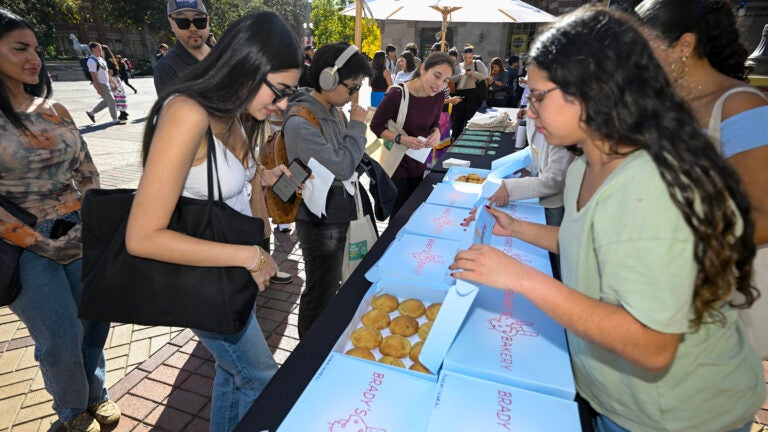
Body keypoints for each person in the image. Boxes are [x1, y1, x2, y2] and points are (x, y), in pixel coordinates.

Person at [451, 7, 764, 432]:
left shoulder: (648, 186)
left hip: (675, 416)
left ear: (590, 92)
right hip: (616, 401)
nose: (530, 107)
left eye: (539, 95)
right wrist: (519, 228)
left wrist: (521, 277)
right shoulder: (587, 163)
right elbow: (589, 243)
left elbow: (653, 344)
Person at [124, 12, 302, 431]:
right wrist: (248, 256)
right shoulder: (187, 111)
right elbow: (142, 236)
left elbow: (235, 177)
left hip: (227, 270)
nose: (280, 105)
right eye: (279, 92)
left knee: (234, 374)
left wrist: (260, 177)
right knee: (261, 379)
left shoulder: (232, 111)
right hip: (203, 274)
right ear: (246, 66)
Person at [0, 9, 120, 432]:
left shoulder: (55, 109)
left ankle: (97, 394)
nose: (34, 57)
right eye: (20, 48)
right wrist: (41, 243)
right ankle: (71, 413)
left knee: (93, 326)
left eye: (35, 48)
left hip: (79, 229)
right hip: (23, 246)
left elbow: (87, 170)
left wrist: (89, 219)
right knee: (58, 341)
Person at [635, 0, 768, 359]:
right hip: (663, 286)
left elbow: (763, 216)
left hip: (719, 286)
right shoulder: (663, 105)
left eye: (645, 47)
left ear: (685, 45)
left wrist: (673, 243)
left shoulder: (742, 105)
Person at [282, 42, 372, 338]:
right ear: (328, 78)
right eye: (351, 87)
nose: (352, 95)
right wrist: (358, 127)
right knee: (321, 290)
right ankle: (308, 354)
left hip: (335, 209)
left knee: (332, 283)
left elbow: (347, 158)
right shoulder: (300, 121)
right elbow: (343, 165)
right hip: (319, 219)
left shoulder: (332, 110)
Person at [488, 108, 575, 280]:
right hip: (541, 195)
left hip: (555, 202)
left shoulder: (564, 132)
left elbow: (554, 181)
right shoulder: (535, 115)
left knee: (557, 260)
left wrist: (510, 187)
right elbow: (535, 150)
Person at [370, 53, 454, 215]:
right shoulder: (397, 94)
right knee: (398, 216)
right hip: (395, 164)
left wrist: (436, 132)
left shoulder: (438, 96)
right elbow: (376, 126)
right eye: (436, 76)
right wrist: (401, 139)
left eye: (445, 80)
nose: (439, 84)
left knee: (413, 212)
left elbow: (435, 123)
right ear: (423, 69)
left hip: (419, 163)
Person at [154, 0, 212, 96]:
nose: (193, 28)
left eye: (199, 21)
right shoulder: (166, 68)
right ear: (172, 23)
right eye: (183, 22)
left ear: (208, 21)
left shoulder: (225, 55)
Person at [449, 44, 487, 140]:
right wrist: (461, 76)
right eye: (465, 57)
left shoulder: (477, 63)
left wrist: (472, 74)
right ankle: (456, 137)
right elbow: (451, 79)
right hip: (461, 93)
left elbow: (484, 76)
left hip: (474, 93)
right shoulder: (459, 66)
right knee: (458, 118)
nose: (467, 60)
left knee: (471, 117)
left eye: (469, 57)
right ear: (462, 56)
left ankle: (470, 138)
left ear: (472, 56)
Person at [84, 42, 122, 126]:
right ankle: (115, 120)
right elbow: (93, 76)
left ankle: (92, 113)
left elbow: (107, 73)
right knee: (112, 101)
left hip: (106, 83)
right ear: (93, 49)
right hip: (100, 84)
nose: (100, 50)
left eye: (101, 48)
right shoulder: (91, 61)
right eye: (98, 49)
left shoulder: (101, 59)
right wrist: (98, 88)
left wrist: (114, 83)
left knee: (106, 101)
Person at [101, 45, 129, 122]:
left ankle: (123, 113)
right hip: (116, 79)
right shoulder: (111, 59)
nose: (100, 52)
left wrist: (112, 82)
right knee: (119, 96)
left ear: (104, 51)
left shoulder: (107, 60)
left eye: (101, 50)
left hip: (113, 80)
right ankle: (123, 112)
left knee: (116, 97)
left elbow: (110, 73)